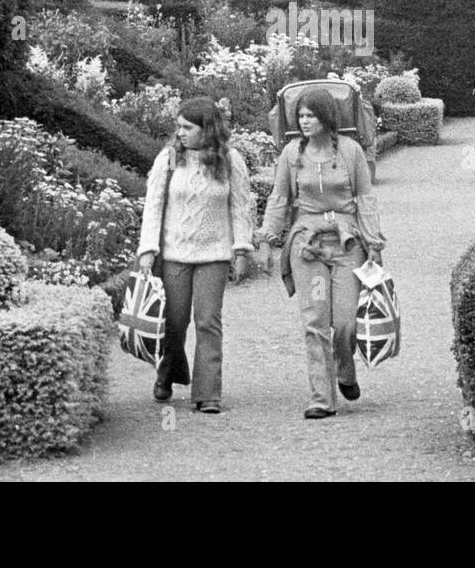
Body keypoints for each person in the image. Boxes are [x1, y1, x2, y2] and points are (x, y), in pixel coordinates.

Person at [259, 87, 387, 419]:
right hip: (308, 247)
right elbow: (279, 198)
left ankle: (345, 370)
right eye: (300, 115)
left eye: (310, 115)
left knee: (345, 322)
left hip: (346, 246)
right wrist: (266, 237)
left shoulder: (350, 150)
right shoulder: (290, 153)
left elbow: (365, 198)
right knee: (315, 321)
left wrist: (373, 243)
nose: (304, 121)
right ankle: (321, 398)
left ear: (326, 117)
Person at [137, 97, 256, 414]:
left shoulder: (229, 161)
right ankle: (169, 371)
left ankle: (208, 393)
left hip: (214, 254)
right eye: (178, 126)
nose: (181, 133)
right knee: (174, 324)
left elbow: (241, 208)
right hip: (175, 253)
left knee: (208, 323)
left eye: (188, 127)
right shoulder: (172, 158)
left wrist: (241, 248)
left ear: (208, 128)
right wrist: (148, 250)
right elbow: (154, 205)